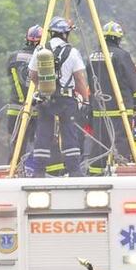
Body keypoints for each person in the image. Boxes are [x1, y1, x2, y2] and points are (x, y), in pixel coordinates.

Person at [27, 16, 89, 178]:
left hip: (45, 98)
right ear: (65, 34)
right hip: (66, 100)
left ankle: (39, 171)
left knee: (43, 133)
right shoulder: (72, 52)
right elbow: (80, 79)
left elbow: (32, 74)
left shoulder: (40, 50)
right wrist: (86, 100)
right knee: (69, 132)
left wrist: (42, 87)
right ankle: (74, 170)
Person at [86, 21, 136, 175]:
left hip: (99, 109)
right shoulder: (122, 55)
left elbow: (90, 82)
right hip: (120, 108)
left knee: (99, 144)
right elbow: (132, 81)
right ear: (118, 38)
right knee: (121, 141)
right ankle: (120, 170)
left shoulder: (92, 56)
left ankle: (95, 173)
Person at [7, 24, 42, 153]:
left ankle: (14, 170)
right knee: (39, 147)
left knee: (16, 147)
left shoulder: (13, 57)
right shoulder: (43, 58)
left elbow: (10, 76)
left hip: (15, 109)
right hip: (37, 110)